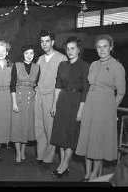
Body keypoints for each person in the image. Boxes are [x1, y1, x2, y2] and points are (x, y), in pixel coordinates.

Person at [75, 34, 126, 181]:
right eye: (99, 47)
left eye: (105, 46)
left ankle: (93, 175)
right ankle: (87, 172)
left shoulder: (118, 66)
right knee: (87, 140)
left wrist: (111, 110)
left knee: (98, 143)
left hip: (105, 108)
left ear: (111, 47)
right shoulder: (94, 65)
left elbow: (121, 93)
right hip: (90, 106)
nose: (102, 49)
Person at [50, 37, 90, 179]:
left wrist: (81, 110)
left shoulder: (85, 65)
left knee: (71, 135)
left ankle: (65, 164)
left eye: (73, 48)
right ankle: (63, 164)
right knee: (61, 134)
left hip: (76, 101)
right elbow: (58, 86)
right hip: (63, 101)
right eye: (67, 48)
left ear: (79, 49)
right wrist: (54, 104)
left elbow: (86, 90)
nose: (70, 51)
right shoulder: (62, 65)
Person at [33, 30, 67, 170]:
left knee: (50, 128)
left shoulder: (62, 58)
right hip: (38, 95)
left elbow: (64, 82)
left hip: (51, 96)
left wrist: (58, 101)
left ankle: (48, 158)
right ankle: (40, 156)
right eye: (42, 41)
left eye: (47, 41)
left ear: (53, 42)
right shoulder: (40, 59)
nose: (44, 44)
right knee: (39, 128)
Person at [10, 44, 39, 164]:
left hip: (30, 100)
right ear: (23, 54)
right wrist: (14, 103)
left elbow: (36, 84)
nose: (29, 56)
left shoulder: (37, 67)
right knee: (18, 128)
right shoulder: (17, 66)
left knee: (26, 127)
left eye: (31, 53)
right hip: (19, 99)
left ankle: (23, 151)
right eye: (27, 53)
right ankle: (17, 153)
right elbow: (12, 85)